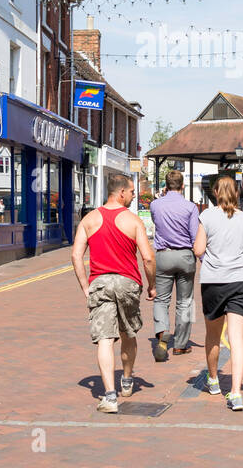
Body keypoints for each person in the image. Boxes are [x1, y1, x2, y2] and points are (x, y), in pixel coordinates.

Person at [71, 173, 157, 413]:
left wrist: (85, 287)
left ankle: (109, 396)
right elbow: (148, 258)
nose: (133, 195)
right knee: (128, 334)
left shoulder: (89, 219)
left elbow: (76, 255)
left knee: (104, 340)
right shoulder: (133, 221)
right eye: (131, 192)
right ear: (120, 193)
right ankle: (127, 381)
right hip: (127, 283)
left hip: (100, 283)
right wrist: (152, 285)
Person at [193, 175, 243, 412]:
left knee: (213, 335)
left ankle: (212, 380)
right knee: (237, 339)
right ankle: (237, 393)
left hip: (213, 282)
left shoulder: (207, 216)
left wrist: (209, 258)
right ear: (237, 193)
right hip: (239, 282)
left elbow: (198, 248)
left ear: (216, 193)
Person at [148, 169, 200, 361]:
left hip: (164, 255)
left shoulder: (155, 205)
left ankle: (162, 332)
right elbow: (195, 236)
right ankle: (181, 345)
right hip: (186, 256)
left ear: (166, 186)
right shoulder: (191, 207)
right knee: (185, 302)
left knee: (161, 299)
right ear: (183, 186)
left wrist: (162, 197)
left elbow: (156, 222)